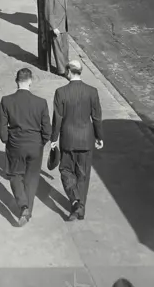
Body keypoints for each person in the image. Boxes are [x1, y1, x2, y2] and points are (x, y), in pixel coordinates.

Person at [0, 68, 51, 227]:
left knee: (15, 175)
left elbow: (1, 127)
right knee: (32, 178)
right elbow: (47, 128)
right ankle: (28, 209)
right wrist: (42, 141)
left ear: (16, 81)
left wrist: (7, 140)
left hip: (16, 145)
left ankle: (23, 206)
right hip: (35, 145)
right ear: (30, 81)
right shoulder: (41, 102)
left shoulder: (6, 101)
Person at [50, 59, 104, 221]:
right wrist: (99, 136)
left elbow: (57, 118)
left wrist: (54, 138)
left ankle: (76, 201)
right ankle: (80, 207)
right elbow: (97, 117)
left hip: (67, 139)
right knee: (83, 174)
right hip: (86, 139)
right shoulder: (92, 91)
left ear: (68, 71)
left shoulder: (61, 92)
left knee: (65, 170)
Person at [44, 0, 70, 74]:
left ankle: (66, 67)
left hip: (63, 25)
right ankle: (62, 70)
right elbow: (48, 12)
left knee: (65, 49)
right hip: (56, 27)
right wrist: (53, 27)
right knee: (58, 50)